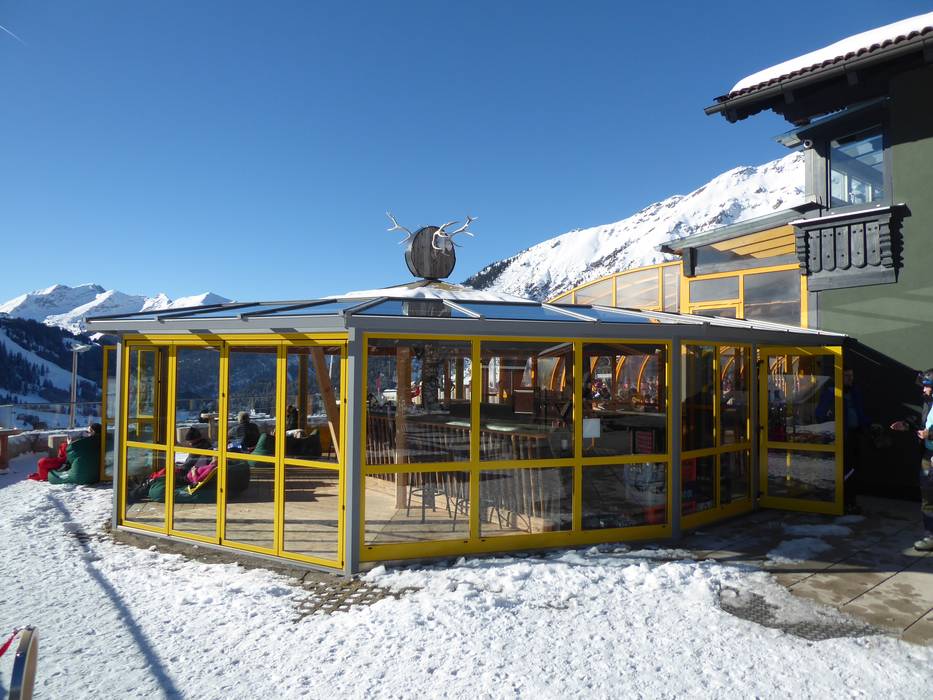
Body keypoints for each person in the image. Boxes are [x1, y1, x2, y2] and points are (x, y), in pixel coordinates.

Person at [890, 369, 933, 552]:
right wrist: (907, 426)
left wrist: (930, 434)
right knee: (928, 497)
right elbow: (923, 425)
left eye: (926, 386)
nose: (923, 389)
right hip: (928, 455)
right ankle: (931, 537)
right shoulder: (928, 403)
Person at [816, 368, 869, 514]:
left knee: (852, 470)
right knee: (840, 469)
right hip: (838, 437)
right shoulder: (831, 393)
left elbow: (859, 411)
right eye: (847, 376)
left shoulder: (854, 392)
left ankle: (849, 501)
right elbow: (820, 414)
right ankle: (838, 501)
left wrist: (866, 425)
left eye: (852, 375)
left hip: (853, 434)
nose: (850, 378)